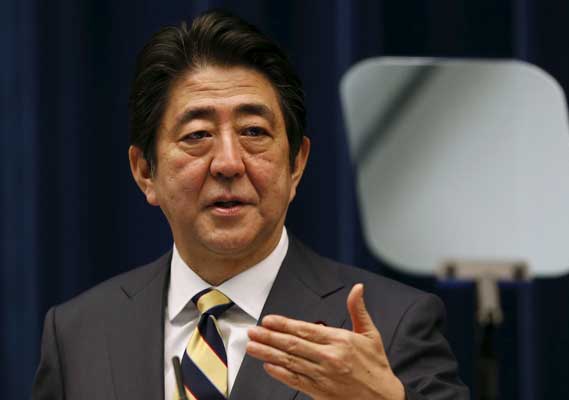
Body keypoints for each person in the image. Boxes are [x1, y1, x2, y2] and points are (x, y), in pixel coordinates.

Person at [32, 9, 469, 400]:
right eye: (197, 135)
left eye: (254, 132)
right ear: (145, 171)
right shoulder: (78, 334)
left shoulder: (393, 323)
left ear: (296, 164)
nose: (228, 162)